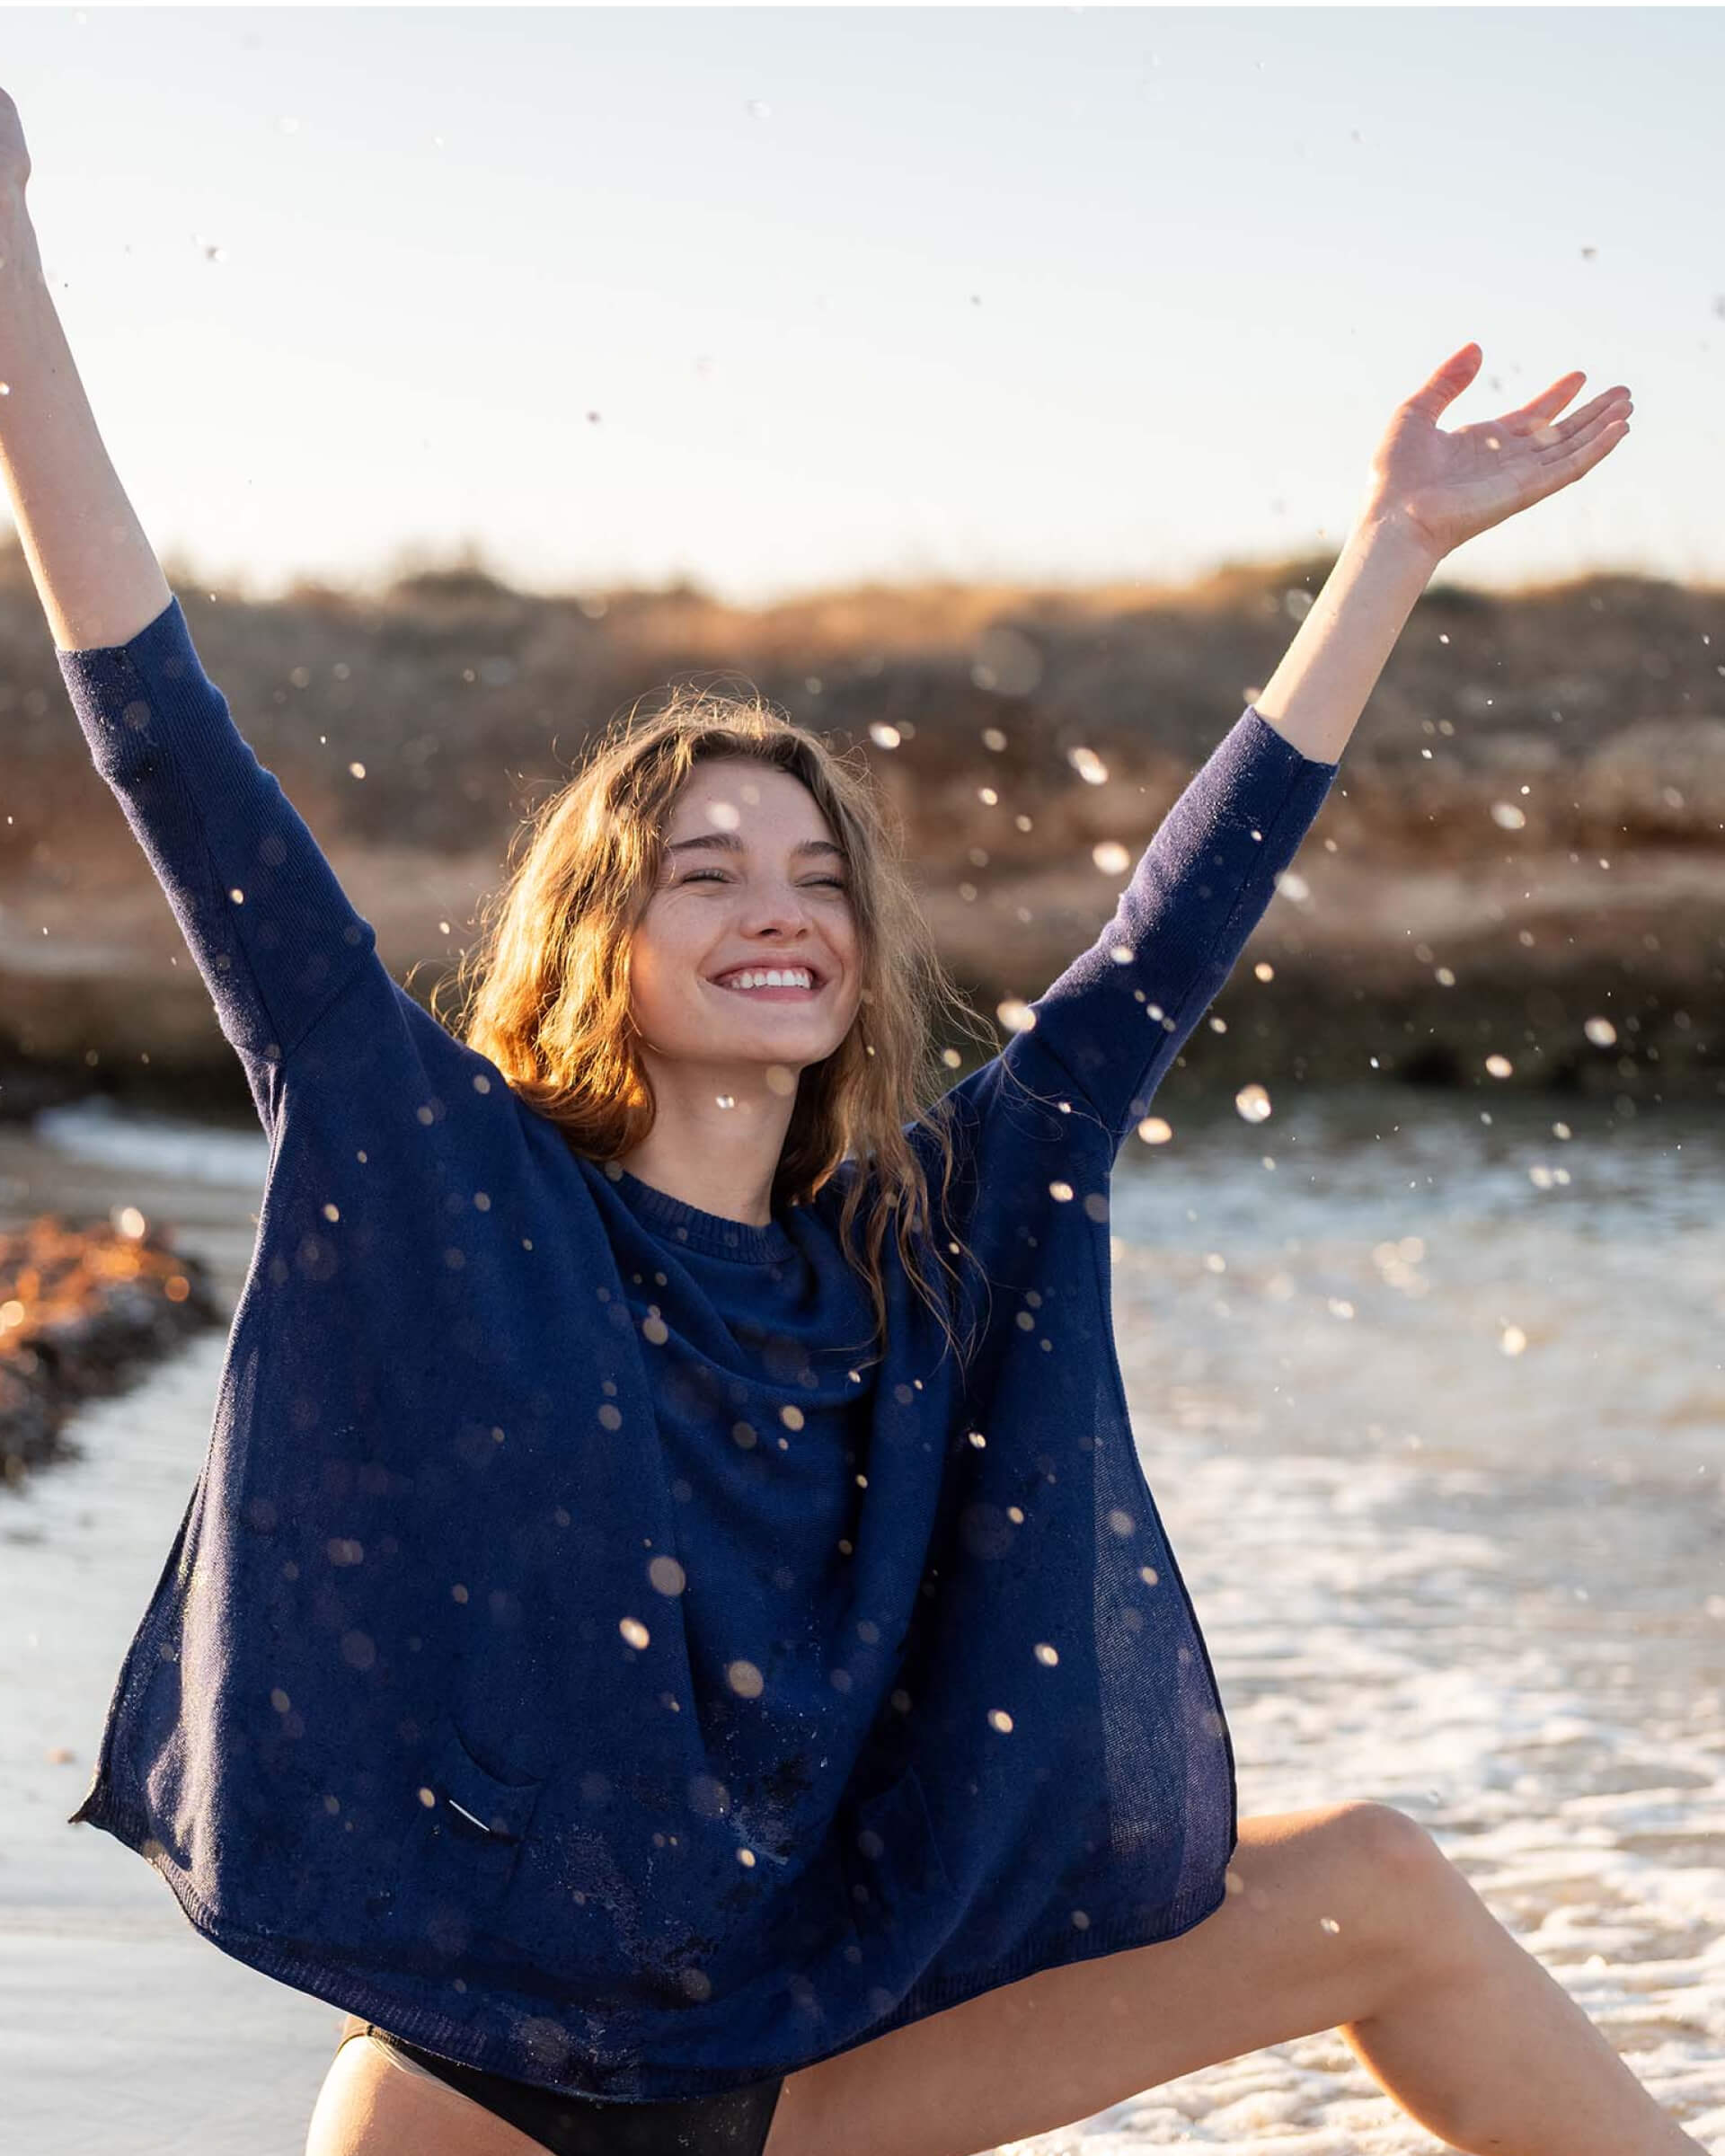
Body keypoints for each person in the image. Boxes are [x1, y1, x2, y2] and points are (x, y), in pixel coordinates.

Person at [4, 81, 1690, 2156]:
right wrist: (9, 263)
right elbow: (167, 738)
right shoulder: (441, 1172)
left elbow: (1167, 942)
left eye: (812, 875)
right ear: (596, 940)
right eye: (703, 873)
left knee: (1388, 1891)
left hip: (825, 2069)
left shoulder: (930, 1227)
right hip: (481, 2106)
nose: (776, 910)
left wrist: (1391, 549)